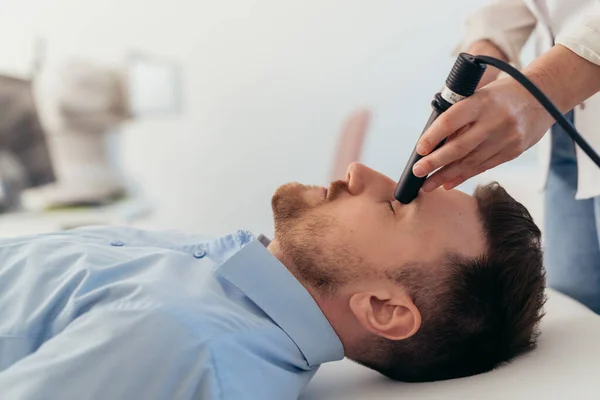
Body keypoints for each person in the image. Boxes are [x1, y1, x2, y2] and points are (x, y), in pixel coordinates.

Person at [0, 163, 545, 399]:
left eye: (396, 204)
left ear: (383, 308)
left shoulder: (183, 345)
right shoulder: (207, 272)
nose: (357, 172)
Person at [411, 0, 600, 314]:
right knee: (574, 307)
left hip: (560, 100)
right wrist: (490, 42)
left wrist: (545, 87)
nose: (356, 174)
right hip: (563, 137)